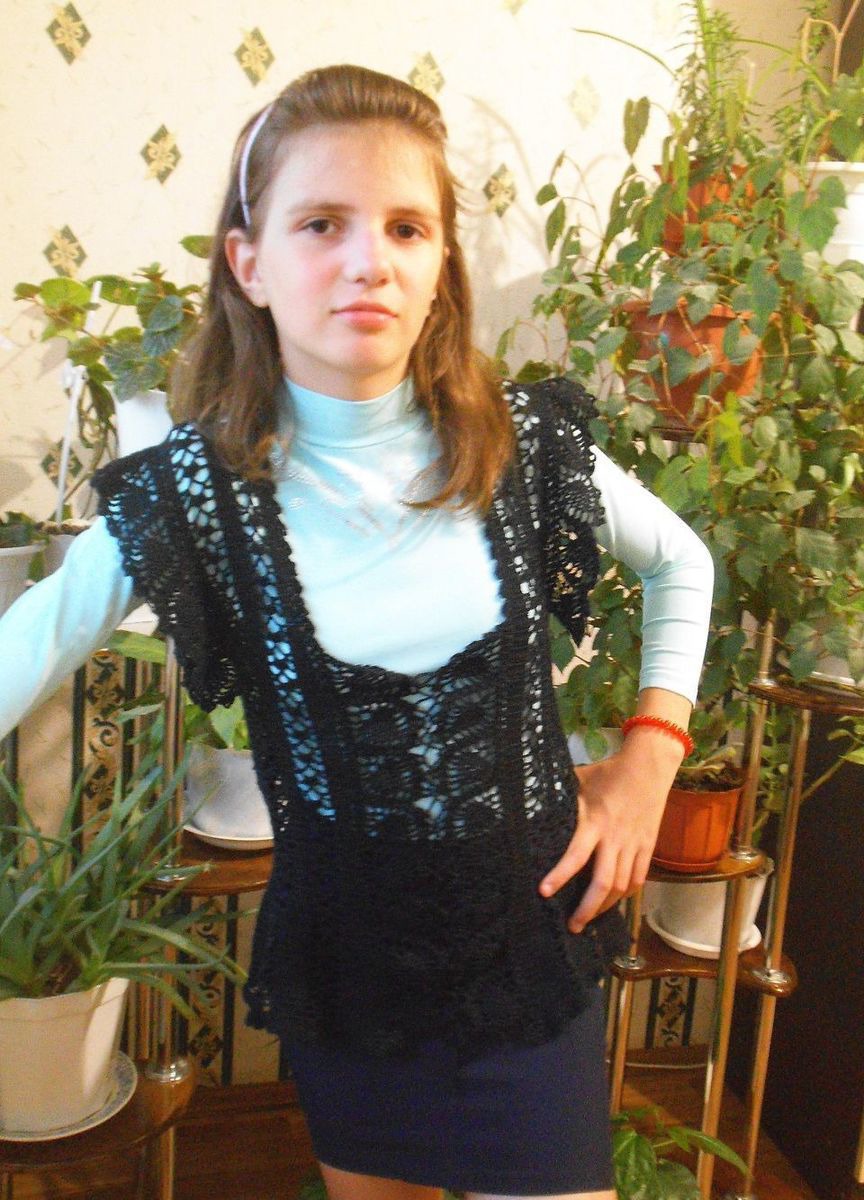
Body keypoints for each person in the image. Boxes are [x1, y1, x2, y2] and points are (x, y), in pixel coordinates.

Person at [0, 64, 713, 1200]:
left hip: (530, 964)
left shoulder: (524, 448)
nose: (367, 260)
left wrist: (649, 759)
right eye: (322, 223)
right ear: (250, 262)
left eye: (406, 227)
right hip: (352, 985)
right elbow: (31, 641)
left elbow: (683, 561)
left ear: (441, 266)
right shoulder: (194, 497)